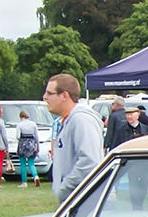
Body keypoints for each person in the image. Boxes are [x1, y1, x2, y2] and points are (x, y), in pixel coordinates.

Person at [43, 73, 105, 201]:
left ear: (64, 95)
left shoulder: (81, 120)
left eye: (50, 93)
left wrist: (65, 188)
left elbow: (90, 162)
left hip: (83, 200)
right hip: (74, 200)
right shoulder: (68, 120)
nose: (45, 97)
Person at [14, 109, 40, 187]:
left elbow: (18, 136)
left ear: (21, 117)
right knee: (31, 163)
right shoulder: (33, 124)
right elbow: (36, 136)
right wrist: (37, 146)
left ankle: (24, 182)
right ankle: (35, 176)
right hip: (32, 143)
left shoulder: (20, 124)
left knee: (22, 164)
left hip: (23, 143)